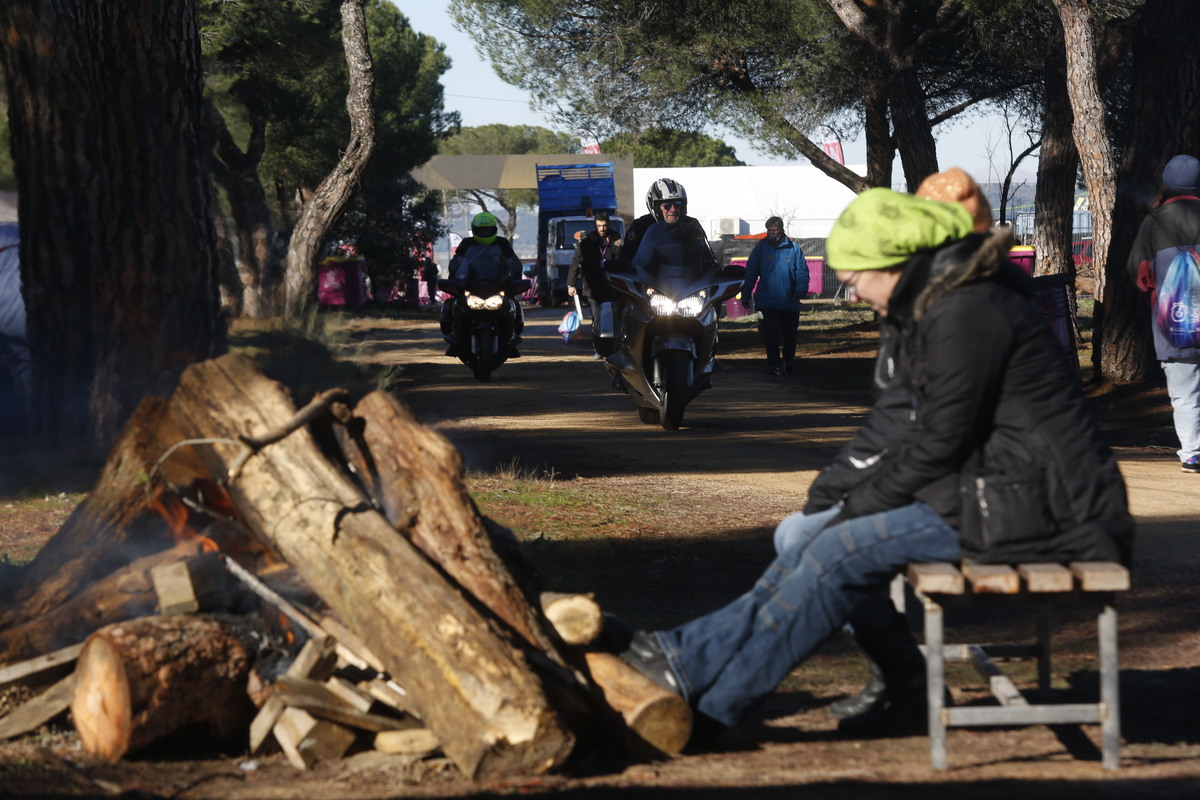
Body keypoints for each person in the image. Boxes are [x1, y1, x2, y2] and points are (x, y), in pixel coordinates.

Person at [618, 187, 1134, 743]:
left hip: (1052, 511)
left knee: (839, 548)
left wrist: (853, 512)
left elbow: (938, 440)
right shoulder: (928, 307)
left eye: (858, 278)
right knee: (805, 534)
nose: (856, 294)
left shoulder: (969, 311)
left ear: (892, 264)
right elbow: (891, 421)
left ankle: (711, 699)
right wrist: (829, 497)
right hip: (993, 492)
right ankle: (898, 683)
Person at [1128, 154, 1200, 474]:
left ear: (1167, 185)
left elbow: (1141, 276)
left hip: (1174, 323)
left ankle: (1192, 453)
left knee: (1184, 394)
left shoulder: (1153, 222)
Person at [441, 211, 525, 356]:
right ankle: (455, 337)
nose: (485, 233)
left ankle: (511, 338)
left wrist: (515, 277)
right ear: (475, 230)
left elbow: (513, 262)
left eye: (488, 230)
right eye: (481, 230)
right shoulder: (467, 243)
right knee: (452, 305)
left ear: (494, 230)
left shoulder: (501, 243)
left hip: (496, 285)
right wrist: (454, 278)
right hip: (472, 285)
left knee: (512, 304)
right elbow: (456, 263)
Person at [741, 217, 808, 376]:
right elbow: (751, 273)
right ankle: (774, 364)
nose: (772, 234)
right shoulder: (761, 249)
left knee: (790, 333)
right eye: (769, 231)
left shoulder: (794, 249)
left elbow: (802, 272)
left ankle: (788, 358)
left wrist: (800, 289)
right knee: (770, 334)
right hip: (768, 300)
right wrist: (746, 294)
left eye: (775, 231)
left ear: (782, 230)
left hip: (789, 300)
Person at [567, 212, 622, 358]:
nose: (602, 228)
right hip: (593, 286)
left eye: (604, 225)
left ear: (608, 224)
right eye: (599, 226)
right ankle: (598, 348)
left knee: (614, 318)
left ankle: (615, 348)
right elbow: (576, 261)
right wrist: (570, 284)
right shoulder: (587, 241)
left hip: (613, 286)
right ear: (595, 225)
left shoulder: (616, 238)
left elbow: (623, 258)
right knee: (596, 318)